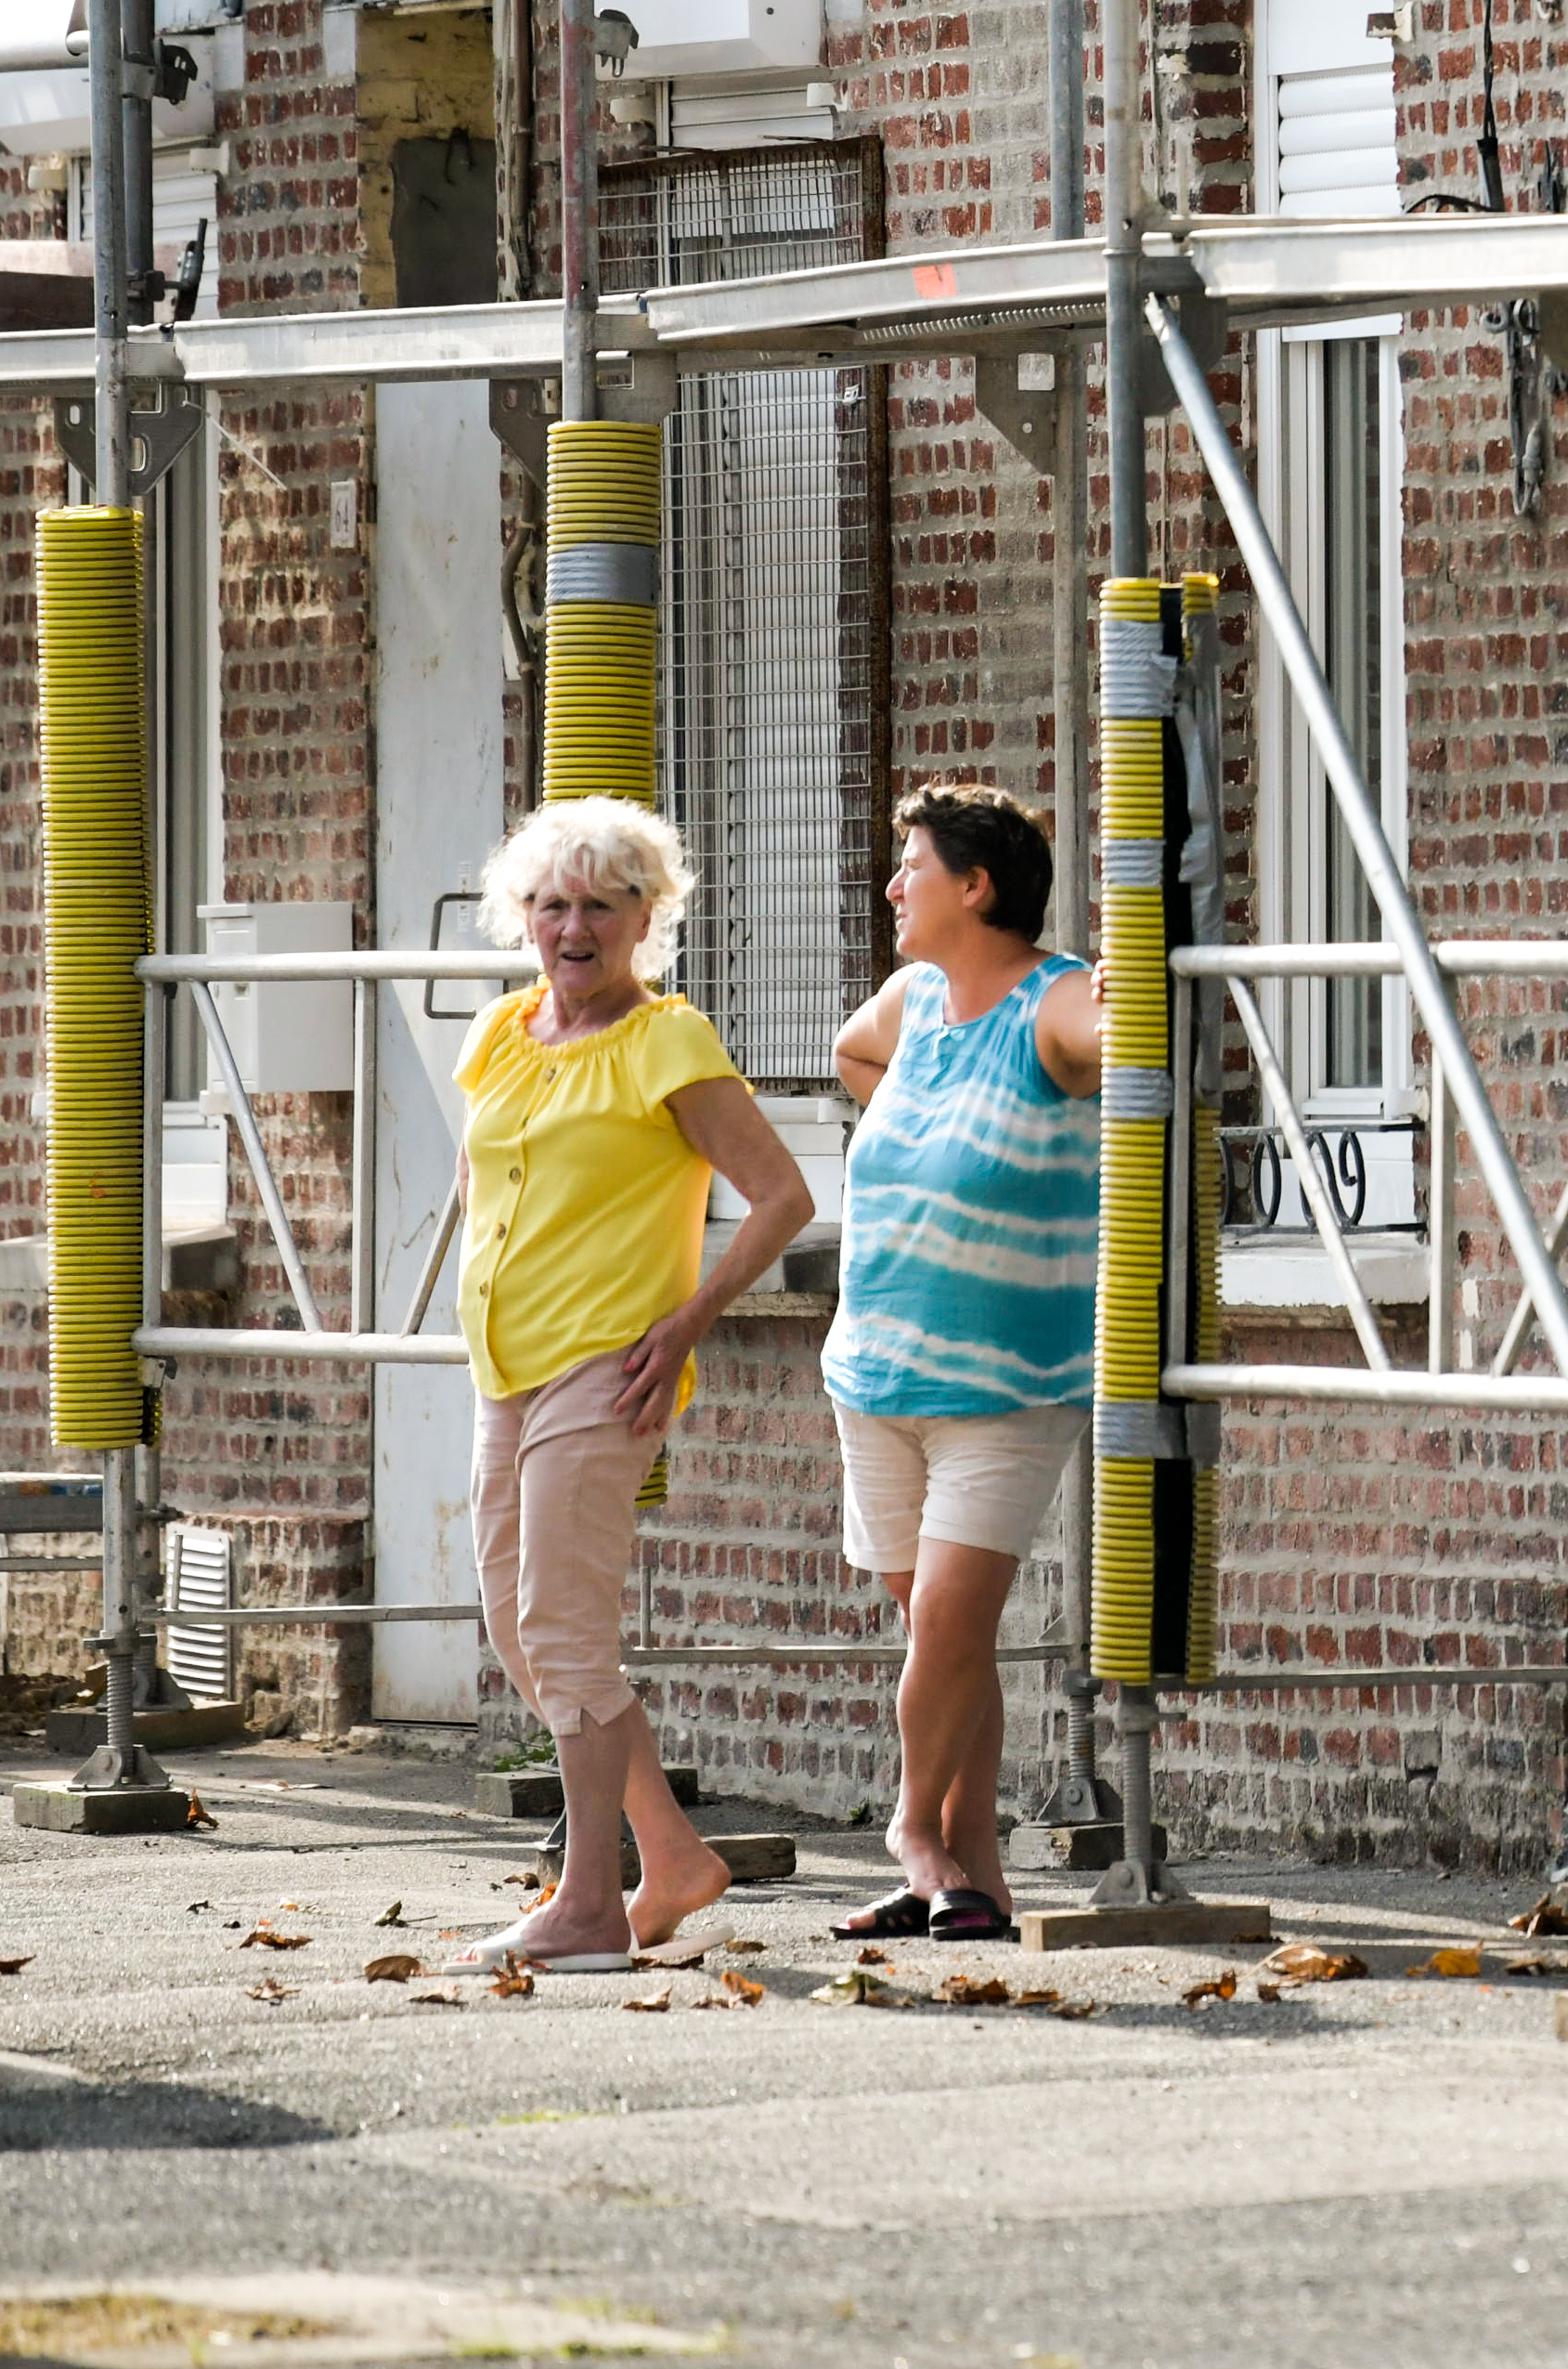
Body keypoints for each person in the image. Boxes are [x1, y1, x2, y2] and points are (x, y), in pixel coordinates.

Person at [452, 796, 822, 1972]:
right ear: (522, 920)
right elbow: (486, 1178)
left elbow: (782, 1196)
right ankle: (671, 1856)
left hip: (606, 1367)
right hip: (503, 1364)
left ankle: (588, 1903)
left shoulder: (669, 1039)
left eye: (601, 906)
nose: (574, 927)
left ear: (644, 919)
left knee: (562, 1631)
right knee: (522, 1629)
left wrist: (687, 1323)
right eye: (552, 904)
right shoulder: (502, 1032)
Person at [815, 785, 1106, 1945]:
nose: (894, 886)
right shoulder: (908, 1002)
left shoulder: (1057, 1002)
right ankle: (970, 1874)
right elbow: (850, 1054)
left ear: (975, 889)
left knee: (944, 1626)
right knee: (949, 1638)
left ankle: (912, 1832)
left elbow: (1116, 1036)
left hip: (1007, 1386)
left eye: (912, 866)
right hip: (873, 1373)